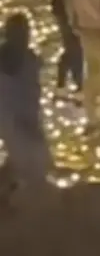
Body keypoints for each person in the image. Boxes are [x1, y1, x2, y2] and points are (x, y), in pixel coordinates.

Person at [0, 13, 52, 203]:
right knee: (31, 157)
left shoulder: (29, 58)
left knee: (23, 156)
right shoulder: (18, 60)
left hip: (23, 114)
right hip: (14, 116)